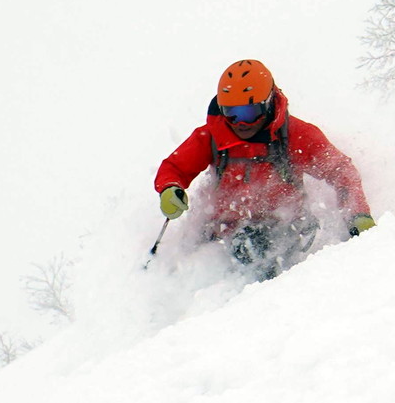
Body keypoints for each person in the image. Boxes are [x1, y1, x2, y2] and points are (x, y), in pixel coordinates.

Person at [155, 59, 374, 279]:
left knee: (255, 249)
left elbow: (340, 171)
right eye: (231, 113)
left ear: (268, 102)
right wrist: (169, 189)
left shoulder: (295, 135)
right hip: (224, 230)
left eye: (249, 113)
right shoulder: (212, 136)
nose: (240, 122)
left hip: (284, 228)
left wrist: (358, 214)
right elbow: (175, 167)